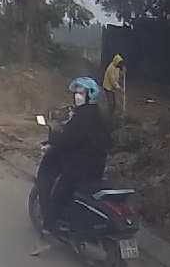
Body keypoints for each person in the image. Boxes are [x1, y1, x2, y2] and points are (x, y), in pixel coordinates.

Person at [32, 77, 111, 256]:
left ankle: (47, 234)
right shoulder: (97, 115)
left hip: (79, 167)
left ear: (90, 96)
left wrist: (51, 141)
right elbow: (91, 140)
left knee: (58, 193)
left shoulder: (83, 116)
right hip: (96, 166)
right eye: (76, 93)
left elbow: (68, 139)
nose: (77, 96)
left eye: (81, 93)